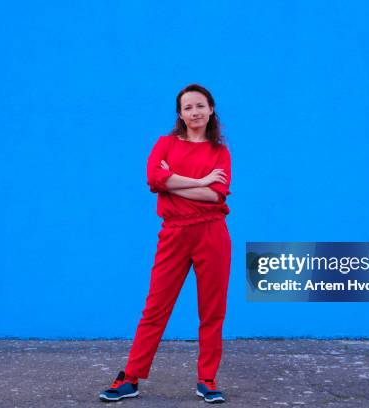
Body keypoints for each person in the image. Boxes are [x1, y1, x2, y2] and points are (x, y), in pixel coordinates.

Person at [99, 84, 232, 403]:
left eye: (200, 105)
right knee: (155, 308)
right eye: (188, 107)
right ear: (180, 114)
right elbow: (154, 179)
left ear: (211, 109)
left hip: (212, 233)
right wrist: (200, 181)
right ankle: (130, 377)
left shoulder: (221, 151)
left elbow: (216, 196)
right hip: (174, 233)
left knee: (212, 311)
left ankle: (207, 379)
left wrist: (173, 183)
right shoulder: (165, 144)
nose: (195, 112)